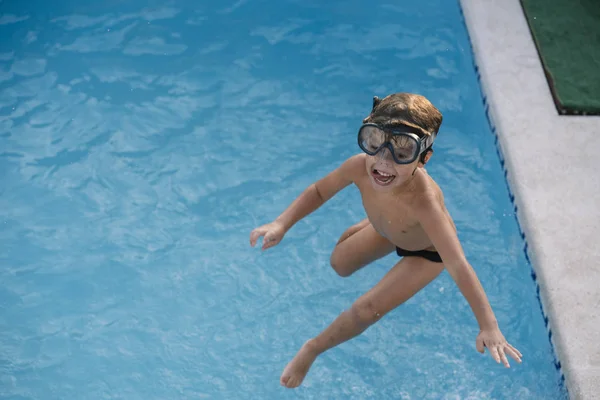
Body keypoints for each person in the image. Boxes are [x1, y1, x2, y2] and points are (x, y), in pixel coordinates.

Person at [249, 93, 523, 389]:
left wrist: (488, 325)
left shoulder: (425, 203)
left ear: (424, 159)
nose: (383, 161)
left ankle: (312, 349)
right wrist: (282, 223)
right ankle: (381, 222)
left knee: (366, 309)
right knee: (339, 264)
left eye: (402, 152)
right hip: (389, 229)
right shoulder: (359, 166)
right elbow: (318, 191)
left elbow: (458, 264)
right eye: (374, 142)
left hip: (428, 251)